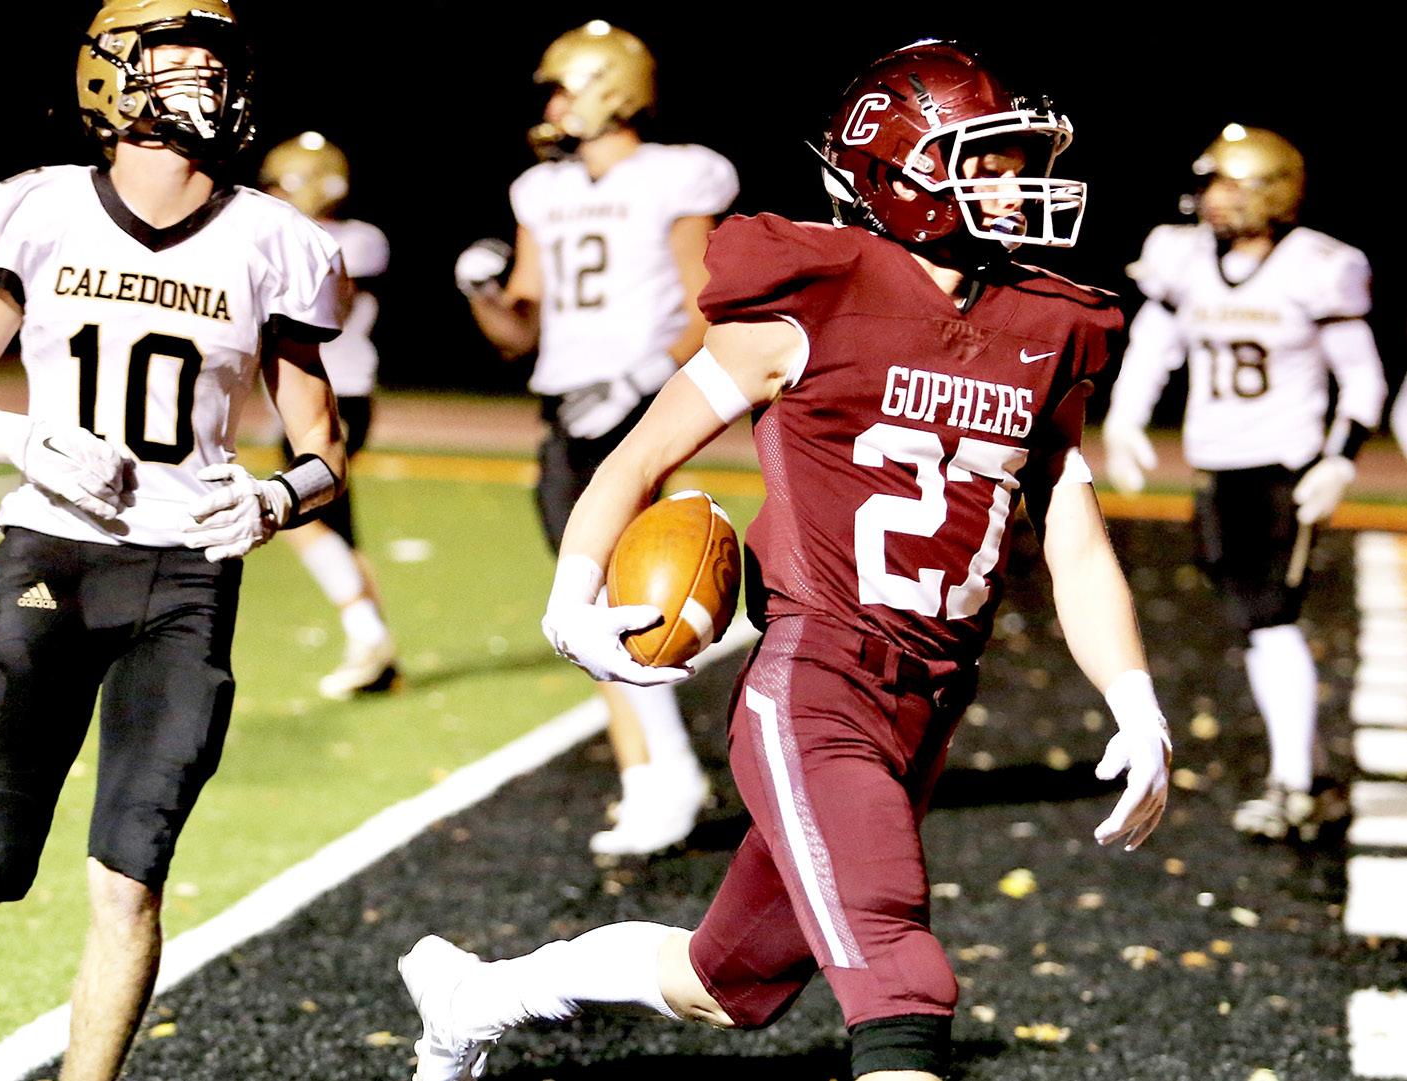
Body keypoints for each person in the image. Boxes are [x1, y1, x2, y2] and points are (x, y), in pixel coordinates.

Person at [400, 40, 1171, 1081]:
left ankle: (473, 999)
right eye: (981, 163)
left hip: (932, 694)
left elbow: (1072, 536)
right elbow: (636, 459)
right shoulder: (813, 297)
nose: (1012, 186)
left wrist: (1133, 698)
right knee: (898, 970)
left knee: (729, 980)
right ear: (896, 171)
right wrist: (572, 594)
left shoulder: (1046, 322)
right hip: (817, 681)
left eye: (1015, 163)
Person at [0, 4, 348, 1077]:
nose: (211, 85)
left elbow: (324, 447)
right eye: (184, 62)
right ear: (113, 79)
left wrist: (279, 499)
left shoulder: (276, 238)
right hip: (54, 556)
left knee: (130, 880)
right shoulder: (39, 208)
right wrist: (21, 438)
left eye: (220, 67)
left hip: (187, 575)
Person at [454, 20, 739, 856]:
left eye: (561, 87)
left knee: (616, 591)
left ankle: (665, 775)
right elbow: (519, 330)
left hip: (639, 398)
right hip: (565, 401)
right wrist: (482, 293)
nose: (550, 105)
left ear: (609, 87)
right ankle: (648, 775)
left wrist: (640, 376)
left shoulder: (676, 174)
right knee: (582, 596)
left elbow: (705, 299)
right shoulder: (541, 190)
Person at [1102, 124, 1386, 841]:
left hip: (1282, 470)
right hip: (1217, 467)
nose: (1212, 199)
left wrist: (1338, 459)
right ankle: (1310, 776)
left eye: (1228, 185)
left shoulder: (1317, 265)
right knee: (1256, 624)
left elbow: (1362, 379)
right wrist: (1125, 419)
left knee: (1269, 620)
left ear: (1269, 191)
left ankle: (1293, 785)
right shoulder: (1185, 257)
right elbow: (1152, 346)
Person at [259, 132, 399, 699]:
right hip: (313, 397)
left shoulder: (355, 240)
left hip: (337, 395)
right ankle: (377, 653)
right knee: (338, 528)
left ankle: (367, 634)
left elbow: (329, 303)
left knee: (299, 513)